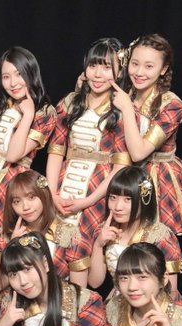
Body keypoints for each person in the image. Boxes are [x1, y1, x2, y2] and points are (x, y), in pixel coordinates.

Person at [108, 34, 182, 235]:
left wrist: (127, 109)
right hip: (121, 172)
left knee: (150, 243)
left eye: (149, 66)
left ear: (163, 69)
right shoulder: (124, 94)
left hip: (155, 178)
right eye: (135, 64)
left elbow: (138, 153)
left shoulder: (171, 104)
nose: (139, 72)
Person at [0, 46, 56, 236]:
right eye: (6, 77)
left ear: (30, 73)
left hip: (13, 185)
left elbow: (13, 155)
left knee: (4, 241)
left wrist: (28, 115)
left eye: (19, 74)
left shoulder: (44, 112)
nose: (13, 82)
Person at [46, 37, 131, 231]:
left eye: (107, 67)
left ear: (119, 72)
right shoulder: (69, 103)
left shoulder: (121, 109)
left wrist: (88, 201)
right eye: (93, 66)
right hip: (62, 186)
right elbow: (56, 151)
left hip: (98, 192)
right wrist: (52, 193)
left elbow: (120, 166)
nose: (98, 74)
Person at [85, 166, 182, 300]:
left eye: (127, 199)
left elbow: (170, 291)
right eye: (113, 197)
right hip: (118, 302)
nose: (117, 206)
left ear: (144, 199)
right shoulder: (105, 230)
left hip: (152, 304)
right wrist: (98, 245)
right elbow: (94, 283)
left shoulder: (160, 236)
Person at [0, 170, 90, 290]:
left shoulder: (70, 236)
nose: (25, 207)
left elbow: (78, 291)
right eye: (17, 201)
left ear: (44, 195)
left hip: (57, 300)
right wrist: (12, 246)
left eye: (31, 197)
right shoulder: (7, 233)